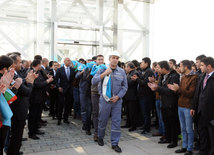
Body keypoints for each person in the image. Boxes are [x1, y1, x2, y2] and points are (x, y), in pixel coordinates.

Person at [92, 51, 128, 153]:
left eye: (117, 58)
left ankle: (115, 143)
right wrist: (104, 74)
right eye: (113, 57)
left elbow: (125, 87)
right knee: (102, 120)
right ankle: (100, 137)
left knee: (116, 122)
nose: (115, 59)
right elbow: (93, 81)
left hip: (117, 101)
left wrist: (118, 96)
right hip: (104, 100)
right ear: (109, 59)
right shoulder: (102, 69)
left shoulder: (121, 72)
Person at [7, 53, 37, 155]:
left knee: (17, 135)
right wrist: (31, 83)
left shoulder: (17, 73)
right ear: (13, 64)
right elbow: (26, 91)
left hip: (20, 109)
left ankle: (14, 151)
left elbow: (22, 83)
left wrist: (27, 80)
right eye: (20, 62)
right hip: (17, 110)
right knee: (16, 135)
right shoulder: (12, 76)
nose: (22, 65)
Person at [168, 60, 198, 155]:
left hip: (188, 106)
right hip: (180, 105)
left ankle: (189, 149)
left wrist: (178, 89)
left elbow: (191, 93)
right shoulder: (184, 77)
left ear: (185, 67)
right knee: (183, 128)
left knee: (189, 129)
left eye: (180, 66)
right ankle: (184, 146)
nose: (179, 68)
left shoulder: (194, 77)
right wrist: (176, 89)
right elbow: (182, 91)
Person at [148, 61, 180, 148]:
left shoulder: (174, 76)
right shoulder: (162, 76)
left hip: (171, 103)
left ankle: (174, 141)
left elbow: (171, 91)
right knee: (166, 121)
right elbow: (162, 88)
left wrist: (157, 88)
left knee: (173, 123)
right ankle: (168, 138)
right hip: (164, 102)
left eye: (158, 67)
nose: (156, 69)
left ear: (164, 68)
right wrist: (154, 85)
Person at [190, 57, 214, 155]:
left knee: (212, 136)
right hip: (200, 111)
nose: (200, 67)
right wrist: (193, 107)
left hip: (211, 114)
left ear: (209, 66)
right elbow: (197, 94)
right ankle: (203, 151)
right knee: (202, 133)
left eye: (202, 65)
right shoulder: (202, 76)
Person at [28, 59, 53, 140]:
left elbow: (41, 80)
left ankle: (35, 129)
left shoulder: (38, 72)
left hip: (40, 97)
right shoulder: (31, 72)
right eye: (40, 65)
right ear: (38, 65)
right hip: (34, 97)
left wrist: (47, 78)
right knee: (33, 115)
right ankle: (31, 133)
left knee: (37, 115)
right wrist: (47, 81)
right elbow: (36, 85)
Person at [132, 57, 155, 134]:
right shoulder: (144, 71)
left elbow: (146, 83)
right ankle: (145, 125)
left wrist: (137, 80)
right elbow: (142, 79)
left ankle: (146, 128)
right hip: (142, 95)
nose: (140, 64)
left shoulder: (149, 71)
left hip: (146, 95)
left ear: (146, 63)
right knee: (144, 112)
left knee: (146, 113)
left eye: (142, 62)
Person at [55, 58, 75, 125]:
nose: (69, 62)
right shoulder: (60, 70)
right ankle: (59, 119)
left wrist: (72, 87)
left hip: (69, 90)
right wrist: (58, 87)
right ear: (64, 61)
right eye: (68, 61)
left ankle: (65, 118)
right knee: (60, 104)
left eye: (70, 61)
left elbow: (72, 80)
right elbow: (56, 79)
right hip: (62, 89)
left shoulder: (72, 70)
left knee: (68, 104)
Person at [91, 55, 105, 141]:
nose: (100, 61)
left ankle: (101, 129)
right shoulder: (92, 69)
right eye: (99, 59)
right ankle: (96, 132)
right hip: (94, 93)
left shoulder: (106, 68)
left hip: (103, 94)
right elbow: (89, 80)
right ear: (96, 61)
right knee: (95, 113)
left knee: (103, 113)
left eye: (102, 60)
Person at [124, 62, 138, 132]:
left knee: (132, 112)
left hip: (132, 95)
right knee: (128, 111)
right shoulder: (129, 73)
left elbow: (131, 83)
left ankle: (133, 125)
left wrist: (124, 82)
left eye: (126, 67)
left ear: (129, 67)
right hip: (128, 95)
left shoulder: (134, 73)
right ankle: (128, 123)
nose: (125, 68)